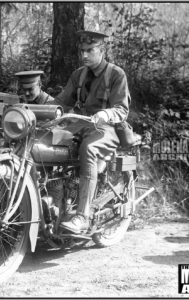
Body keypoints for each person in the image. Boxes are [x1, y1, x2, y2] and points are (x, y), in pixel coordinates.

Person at [47, 30, 131, 234]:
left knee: (89, 149)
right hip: (80, 124)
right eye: (82, 51)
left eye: (90, 50)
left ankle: (82, 216)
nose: (84, 55)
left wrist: (107, 113)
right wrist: (38, 108)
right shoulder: (78, 75)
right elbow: (61, 102)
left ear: (101, 50)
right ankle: (54, 200)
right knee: (47, 140)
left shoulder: (116, 74)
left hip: (107, 128)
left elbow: (122, 109)